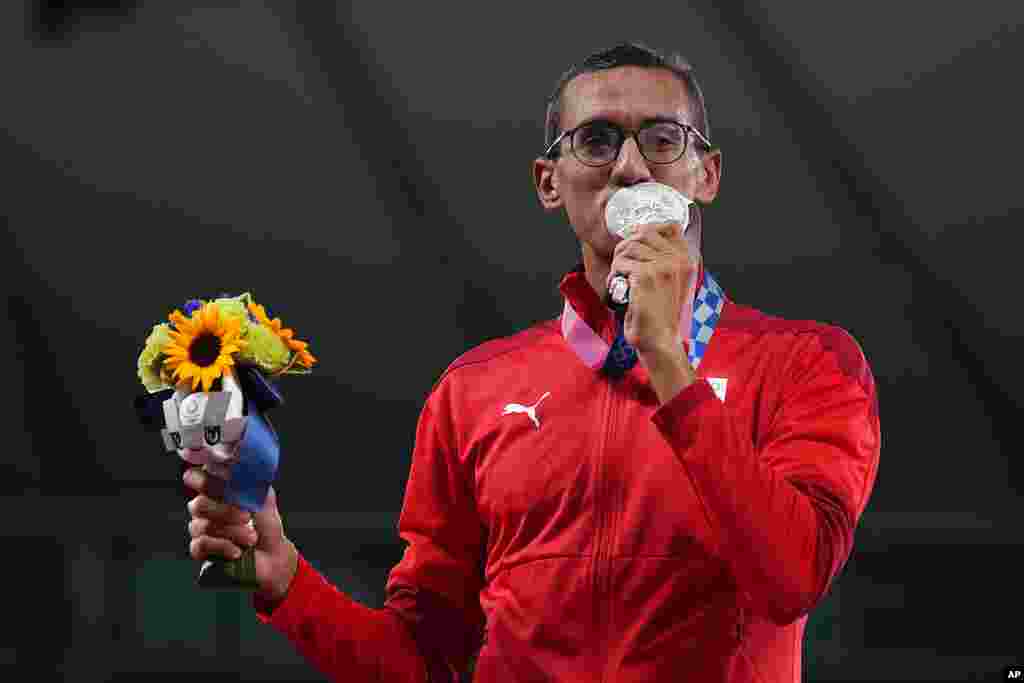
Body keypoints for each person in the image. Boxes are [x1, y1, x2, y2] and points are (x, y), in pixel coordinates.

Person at [184, 41, 881, 682]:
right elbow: (421, 659)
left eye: (664, 139)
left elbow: (793, 576)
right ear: (549, 182)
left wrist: (668, 359)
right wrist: (287, 583)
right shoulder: (473, 392)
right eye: (597, 139)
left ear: (707, 174)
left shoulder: (807, 364)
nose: (632, 166)